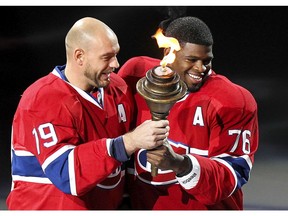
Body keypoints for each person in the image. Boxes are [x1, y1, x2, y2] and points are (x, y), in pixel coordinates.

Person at [6, 17, 169, 210]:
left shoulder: (117, 88)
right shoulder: (43, 98)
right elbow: (66, 174)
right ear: (79, 57)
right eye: (106, 57)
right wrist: (129, 142)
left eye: (116, 55)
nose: (116, 64)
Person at [118, 16, 259, 210]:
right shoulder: (136, 76)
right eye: (192, 60)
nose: (201, 68)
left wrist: (179, 163)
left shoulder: (232, 100)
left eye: (206, 60)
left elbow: (231, 176)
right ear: (169, 52)